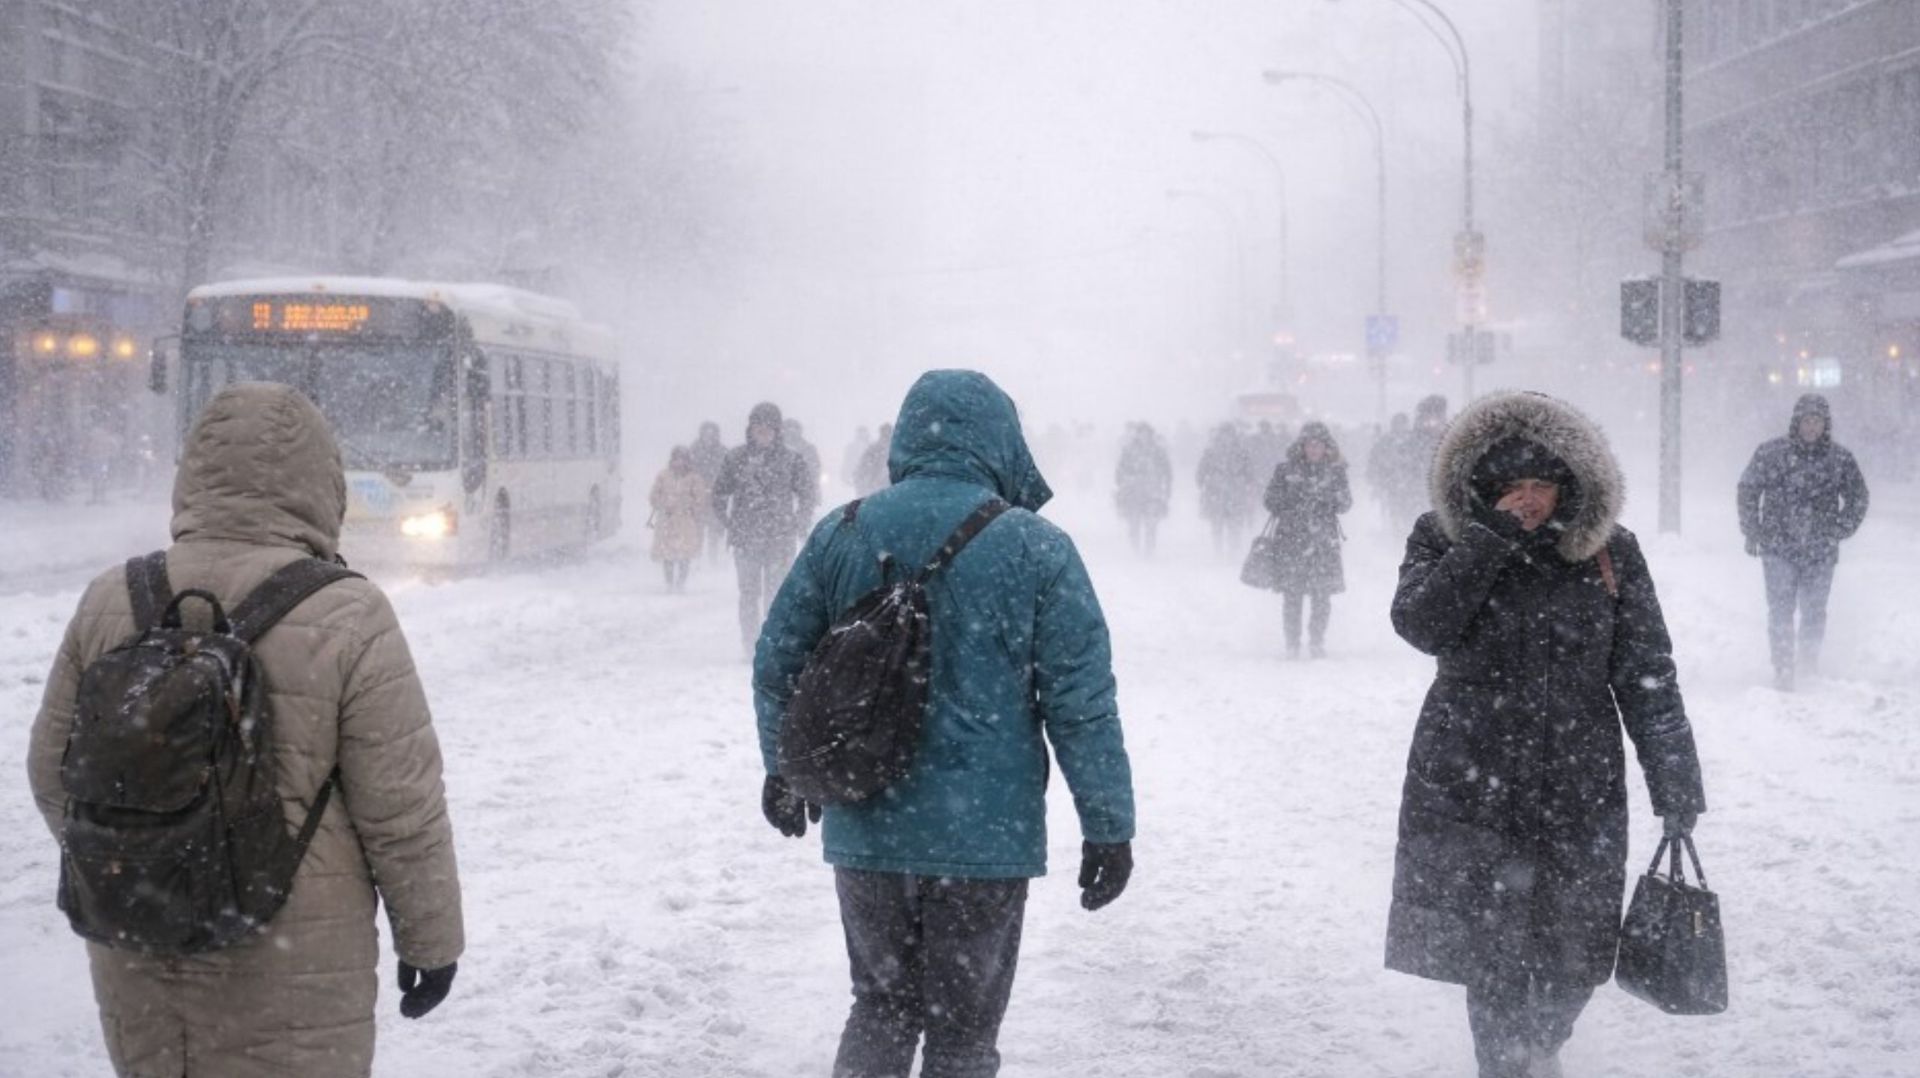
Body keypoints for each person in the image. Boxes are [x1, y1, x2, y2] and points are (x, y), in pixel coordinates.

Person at [27, 382, 464, 1077]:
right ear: (322, 483)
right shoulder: (350, 613)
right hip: (291, 956)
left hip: (136, 942)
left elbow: (52, 772)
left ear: (193, 472)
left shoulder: (112, 596)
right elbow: (401, 809)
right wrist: (430, 941)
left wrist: (148, 856)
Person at [753, 370, 1137, 1078]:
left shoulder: (842, 532)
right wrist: (1107, 824)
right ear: (1000, 442)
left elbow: (778, 661)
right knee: (962, 1038)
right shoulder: (1037, 549)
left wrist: (784, 766)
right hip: (985, 839)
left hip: (870, 822)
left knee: (879, 1008)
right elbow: (1081, 703)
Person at [1386, 391, 1706, 1078]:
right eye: (1511, 486)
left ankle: (1540, 1045)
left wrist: (1675, 781)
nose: (1527, 499)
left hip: (1578, 781)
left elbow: (1647, 670)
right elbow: (1420, 623)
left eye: (1541, 484)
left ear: (1569, 484)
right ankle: (1506, 1065)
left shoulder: (1607, 553)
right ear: (1485, 487)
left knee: (1575, 959)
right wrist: (1487, 543)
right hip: (1473, 777)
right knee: (1492, 956)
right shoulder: (1444, 538)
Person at [1737, 393, 1870, 691]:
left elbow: (1858, 497)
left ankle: (1808, 665)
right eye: (1807, 420)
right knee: (1781, 610)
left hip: (1821, 550)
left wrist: (1839, 528)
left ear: (1826, 425)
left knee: (1814, 610)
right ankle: (1783, 667)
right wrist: (1752, 530)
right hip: (1777, 547)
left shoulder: (1840, 459)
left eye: (1817, 421)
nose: (1812, 427)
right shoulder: (1770, 453)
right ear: (1796, 422)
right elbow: (1747, 489)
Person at [712, 402, 818, 652]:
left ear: (777, 429)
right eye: (758, 425)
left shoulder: (792, 459)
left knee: (776, 595)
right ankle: (749, 643)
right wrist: (729, 523)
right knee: (748, 594)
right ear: (750, 428)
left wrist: (798, 521)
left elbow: (807, 493)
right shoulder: (736, 458)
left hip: (780, 539)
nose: (763, 431)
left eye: (769, 426)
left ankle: (771, 643)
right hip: (745, 539)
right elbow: (718, 493)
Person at [1261, 421, 1352, 658]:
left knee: (1322, 596)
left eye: (1318, 445)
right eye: (1309, 444)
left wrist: (1327, 498)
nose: (1313, 449)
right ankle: (1292, 642)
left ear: (1326, 447)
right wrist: (1291, 500)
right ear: (1302, 446)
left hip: (1323, 542)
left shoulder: (1336, 471)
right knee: (1293, 596)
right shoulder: (1285, 470)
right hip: (1291, 541)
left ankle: (1316, 641)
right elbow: (1270, 500)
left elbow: (1345, 504)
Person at [649, 445, 709, 592]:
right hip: (666, 520)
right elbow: (653, 496)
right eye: (676, 459)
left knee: (684, 554)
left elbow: (700, 499)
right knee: (667, 554)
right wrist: (663, 503)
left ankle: (681, 584)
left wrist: (690, 507)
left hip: (686, 521)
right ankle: (669, 584)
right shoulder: (663, 476)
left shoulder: (694, 478)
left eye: (682, 459)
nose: (679, 462)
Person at [1196, 422, 1257, 556]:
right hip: (1216, 493)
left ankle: (1233, 551)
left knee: (1235, 525)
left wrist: (1249, 486)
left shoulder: (1242, 452)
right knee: (1217, 525)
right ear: (1220, 435)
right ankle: (1218, 550)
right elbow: (1201, 470)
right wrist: (1202, 483)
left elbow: (1250, 472)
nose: (1226, 437)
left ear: (1233, 436)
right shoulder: (1211, 451)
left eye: (1229, 434)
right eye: (1224, 434)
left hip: (1236, 494)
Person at [1114, 422, 1173, 556]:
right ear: (1138, 435)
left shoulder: (1158, 451)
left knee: (1151, 523)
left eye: (1147, 433)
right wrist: (1123, 482)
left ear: (1150, 435)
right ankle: (1135, 548)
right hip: (1132, 492)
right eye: (1142, 433)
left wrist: (1167, 488)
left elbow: (1167, 471)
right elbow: (1120, 470)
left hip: (1152, 492)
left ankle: (1149, 550)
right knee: (1134, 522)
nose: (1144, 436)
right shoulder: (1129, 450)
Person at [689, 420, 730, 561]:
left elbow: (728, 473)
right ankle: (697, 557)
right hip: (698, 496)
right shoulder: (693, 450)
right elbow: (688, 471)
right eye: (706, 434)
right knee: (697, 528)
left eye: (712, 434)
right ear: (701, 434)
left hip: (716, 496)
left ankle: (713, 559)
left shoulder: (723, 451)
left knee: (714, 529)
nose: (709, 437)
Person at [854, 422, 894, 497]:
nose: (886, 437)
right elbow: (862, 470)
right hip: (879, 488)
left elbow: (861, 470)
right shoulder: (874, 450)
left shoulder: (873, 449)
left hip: (877, 489)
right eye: (885, 434)